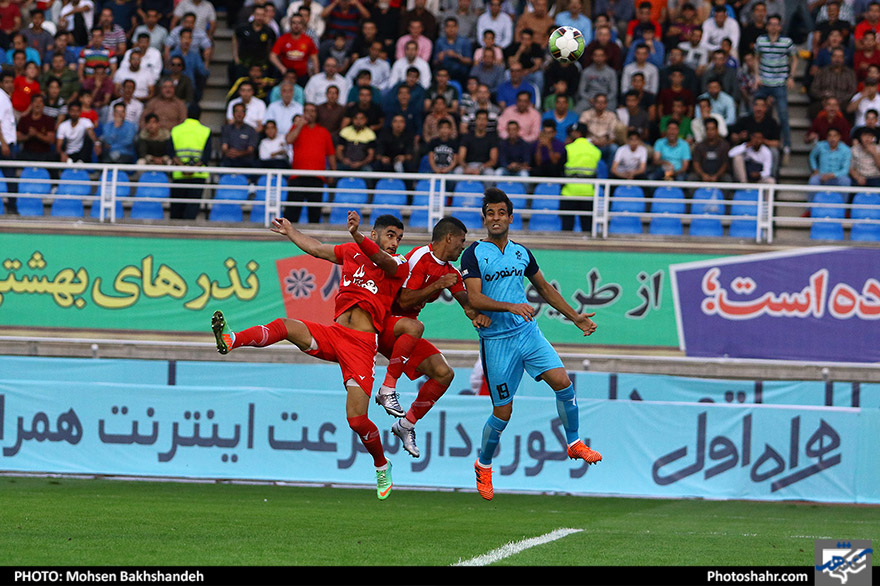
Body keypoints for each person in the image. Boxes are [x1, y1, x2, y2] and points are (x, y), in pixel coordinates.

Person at [212, 212, 408, 499]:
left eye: (399, 238)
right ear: (375, 234)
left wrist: (356, 235)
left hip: (362, 346)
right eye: (391, 235)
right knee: (285, 326)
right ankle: (232, 339)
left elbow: (383, 261)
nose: (395, 242)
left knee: (357, 421)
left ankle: (381, 464)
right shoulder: (351, 252)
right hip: (336, 333)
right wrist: (291, 232)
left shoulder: (398, 263)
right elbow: (317, 249)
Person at [461, 187, 602, 501]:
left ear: (511, 217)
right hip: (497, 342)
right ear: (484, 219)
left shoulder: (521, 252)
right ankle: (484, 464)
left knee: (563, 382)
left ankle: (574, 443)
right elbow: (474, 298)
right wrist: (510, 306)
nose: (496, 218)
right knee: (503, 412)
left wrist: (575, 317)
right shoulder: (473, 254)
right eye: (490, 213)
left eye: (501, 213)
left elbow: (545, 289)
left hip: (527, 333)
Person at [379, 216, 490, 457]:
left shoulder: (450, 271)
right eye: (461, 241)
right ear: (449, 238)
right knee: (415, 326)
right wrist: (438, 285)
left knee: (444, 373)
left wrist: (484, 316)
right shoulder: (420, 257)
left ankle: (406, 425)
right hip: (384, 323)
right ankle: (387, 389)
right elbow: (403, 301)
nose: (463, 247)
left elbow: (468, 306)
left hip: (405, 332)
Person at [754, 14, 797, 165]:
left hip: (779, 83)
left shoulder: (787, 42)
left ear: (780, 26)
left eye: (776, 24)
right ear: (767, 26)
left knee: (783, 115)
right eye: (771, 24)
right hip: (764, 83)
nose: (773, 27)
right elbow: (756, 58)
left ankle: (787, 147)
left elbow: (794, 59)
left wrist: (791, 76)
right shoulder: (761, 40)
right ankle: (753, 142)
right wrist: (756, 76)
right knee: (755, 111)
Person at [286, 103, 336, 223]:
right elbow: (289, 140)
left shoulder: (324, 132)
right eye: (307, 111)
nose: (310, 113)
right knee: (291, 214)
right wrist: (299, 125)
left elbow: (330, 154)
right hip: (297, 176)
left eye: (312, 111)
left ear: (317, 114)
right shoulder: (296, 128)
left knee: (314, 214)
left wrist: (333, 173)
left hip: (317, 177)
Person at [169, 108, 212, 219]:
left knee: (177, 209)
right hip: (198, 175)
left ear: (187, 114)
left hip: (179, 174)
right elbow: (206, 156)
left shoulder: (175, 130)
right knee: (192, 209)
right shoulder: (206, 131)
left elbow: (171, 153)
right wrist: (193, 168)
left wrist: (183, 167)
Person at [560, 122, 601, 232]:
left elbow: (560, 169)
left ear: (578, 133)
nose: (570, 135)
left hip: (569, 191)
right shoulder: (595, 150)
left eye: (572, 133)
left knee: (567, 227)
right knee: (587, 227)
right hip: (588, 192)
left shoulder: (568, 148)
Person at [456, 109, 499, 175]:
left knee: (490, 173)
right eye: (479, 119)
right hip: (468, 165)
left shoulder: (492, 138)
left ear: (487, 121)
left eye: (484, 119)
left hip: (484, 166)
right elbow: (460, 158)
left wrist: (480, 168)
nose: (481, 122)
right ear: (475, 120)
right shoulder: (467, 136)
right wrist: (466, 167)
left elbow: (493, 160)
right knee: (457, 171)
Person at [690, 117, 731, 182]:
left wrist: (716, 176)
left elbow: (725, 164)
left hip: (719, 175)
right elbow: (696, 163)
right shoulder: (699, 146)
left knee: (727, 178)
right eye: (707, 129)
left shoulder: (724, 145)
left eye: (712, 129)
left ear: (717, 130)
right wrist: (703, 175)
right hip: (702, 175)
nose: (710, 132)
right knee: (691, 177)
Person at [220, 102, 258, 167]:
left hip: (245, 163)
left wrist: (239, 153)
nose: (239, 114)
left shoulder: (251, 130)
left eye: (241, 112)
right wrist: (230, 153)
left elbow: (250, 150)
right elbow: (224, 147)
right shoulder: (226, 129)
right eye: (237, 111)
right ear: (233, 114)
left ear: (245, 114)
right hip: (229, 161)